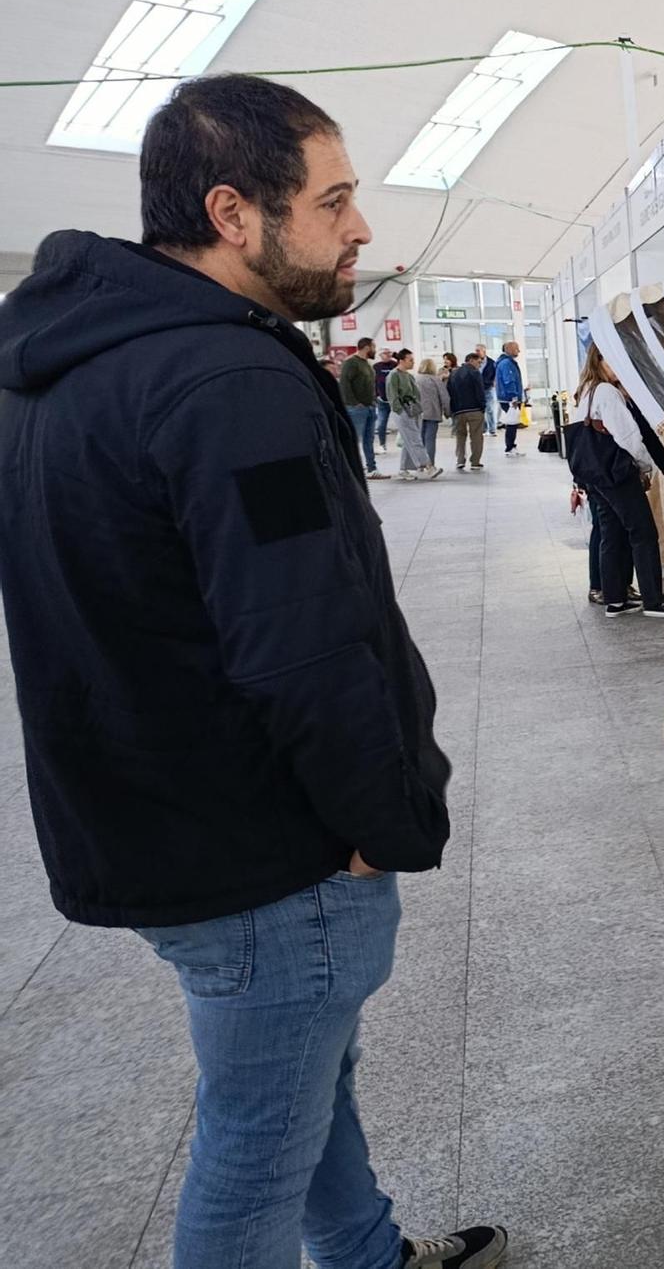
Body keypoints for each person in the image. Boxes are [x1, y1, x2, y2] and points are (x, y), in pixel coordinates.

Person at [0, 73, 505, 1269]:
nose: (361, 226)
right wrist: (380, 820)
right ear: (234, 214)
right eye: (333, 201)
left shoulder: (59, 366)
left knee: (301, 1072)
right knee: (257, 1136)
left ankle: (368, 1252)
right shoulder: (226, 382)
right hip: (264, 845)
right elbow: (303, 636)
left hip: (148, 822)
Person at [570, 343, 664, 618]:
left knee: (611, 534)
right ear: (599, 360)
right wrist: (644, 467)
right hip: (617, 474)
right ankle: (654, 600)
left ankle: (614, 600)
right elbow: (628, 437)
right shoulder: (607, 392)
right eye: (613, 361)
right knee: (643, 533)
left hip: (596, 476)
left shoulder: (587, 392)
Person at [340, 335, 390, 480]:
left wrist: (373, 401)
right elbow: (344, 384)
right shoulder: (351, 363)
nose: (375, 350)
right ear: (367, 347)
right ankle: (351, 469)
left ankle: (371, 468)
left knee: (369, 440)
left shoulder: (367, 364)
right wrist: (354, 402)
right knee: (354, 439)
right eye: (374, 347)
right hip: (356, 409)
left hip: (370, 406)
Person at [388, 349, 441, 482]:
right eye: (410, 360)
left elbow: (416, 394)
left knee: (409, 440)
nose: (413, 362)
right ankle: (428, 465)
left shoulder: (409, 376)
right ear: (402, 360)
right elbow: (392, 395)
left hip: (413, 410)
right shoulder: (394, 375)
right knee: (415, 439)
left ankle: (403, 469)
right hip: (402, 411)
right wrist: (400, 410)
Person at [448, 346, 488, 471]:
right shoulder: (475, 373)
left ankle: (460, 460)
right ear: (471, 360)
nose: (479, 365)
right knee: (476, 436)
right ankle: (475, 462)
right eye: (478, 362)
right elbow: (480, 391)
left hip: (458, 410)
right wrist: (482, 406)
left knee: (460, 436)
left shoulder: (453, 373)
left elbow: (449, 391)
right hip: (474, 409)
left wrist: (453, 408)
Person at [416, 355, 449, 466]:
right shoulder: (435, 380)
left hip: (418, 413)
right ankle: (430, 464)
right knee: (430, 439)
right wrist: (448, 412)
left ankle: (419, 463)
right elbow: (444, 397)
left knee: (419, 440)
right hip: (433, 414)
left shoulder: (415, 379)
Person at [496, 339, 526, 457]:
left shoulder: (506, 362)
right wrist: (514, 397)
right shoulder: (506, 364)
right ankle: (510, 447)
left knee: (512, 424)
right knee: (512, 424)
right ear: (508, 349)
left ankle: (511, 446)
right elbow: (509, 381)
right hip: (509, 399)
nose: (519, 350)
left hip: (508, 398)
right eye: (516, 348)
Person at [373, 347, 397, 453]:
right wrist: (376, 395)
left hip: (395, 399)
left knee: (403, 422)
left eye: (389, 353)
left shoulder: (395, 365)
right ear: (380, 355)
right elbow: (373, 381)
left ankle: (406, 443)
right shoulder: (376, 367)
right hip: (382, 400)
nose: (387, 355)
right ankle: (382, 444)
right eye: (385, 353)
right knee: (381, 423)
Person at [480, 343, 499, 435]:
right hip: (478, 389)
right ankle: (484, 428)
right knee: (481, 410)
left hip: (488, 388)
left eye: (478, 351)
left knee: (490, 409)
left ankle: (492, 429)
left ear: (484, 351)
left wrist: (493, 382)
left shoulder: (491, 363)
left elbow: (496, 374)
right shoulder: (475, 363)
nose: (477, 353)